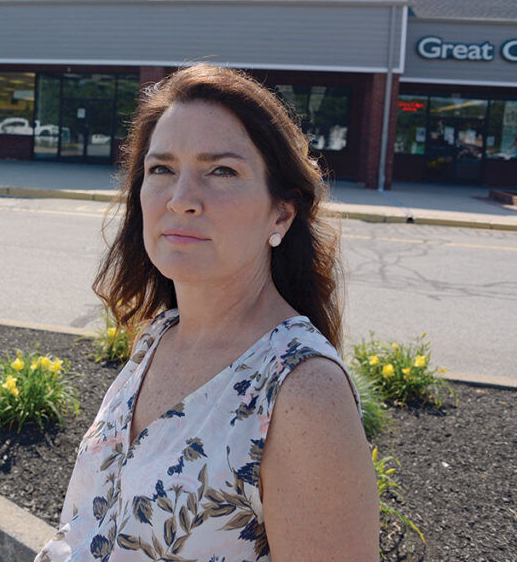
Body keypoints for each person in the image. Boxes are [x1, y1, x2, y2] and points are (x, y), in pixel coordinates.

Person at [36, 64, 379, 561]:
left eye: (222, 170)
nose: (181, 200)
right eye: (162, 169)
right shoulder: (162, 334)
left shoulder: (302, 390)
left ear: (281, 213)